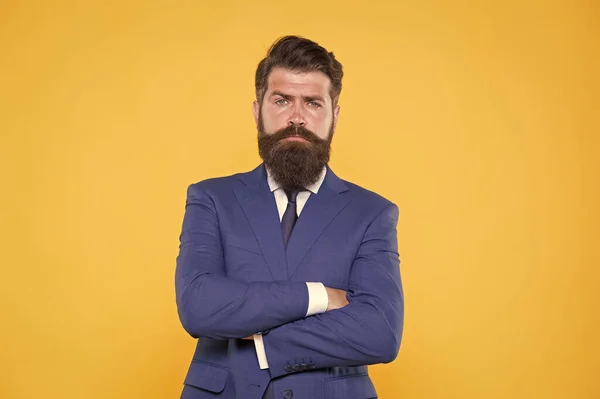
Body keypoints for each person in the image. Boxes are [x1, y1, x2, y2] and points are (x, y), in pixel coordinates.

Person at [175, 35, 404, 399]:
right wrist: (320, 297)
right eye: (281, 101)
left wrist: (263, 340)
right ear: (257, 110)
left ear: (335, 116)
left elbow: (380, 331)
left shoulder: (372, 213)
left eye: (313, 103)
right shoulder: (211, 199)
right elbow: (199, 307)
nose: (296, 118)